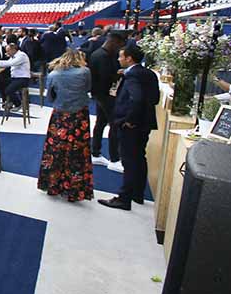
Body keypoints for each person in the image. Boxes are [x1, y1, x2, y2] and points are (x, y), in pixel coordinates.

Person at [99, 45, 160, 211]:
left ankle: (124, 198)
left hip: (132, 125)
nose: (119, 59)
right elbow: (154, 99)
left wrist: (129, 120)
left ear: (129, 58)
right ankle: (137, 194)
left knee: (129, 160)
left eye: (121, 57)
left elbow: (137, 99)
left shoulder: (132, 75)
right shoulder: (148, 73)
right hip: (145, 123)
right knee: (139, 157)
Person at [38, 49, 93, 202]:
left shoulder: (54, 74)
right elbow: (88, 88)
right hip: (79, 115)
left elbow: (50, 97)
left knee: (55, 150)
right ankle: (75, 189)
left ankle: (52, 184)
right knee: (78, 151)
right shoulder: (85, 72)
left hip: (60, 116)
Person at [90, 32, 124, 170]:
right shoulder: (103, 56)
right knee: (113, 126)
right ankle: (114, 159)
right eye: (119, 46)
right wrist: (119, 74)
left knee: (100, 123)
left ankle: (96, 152)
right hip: (105, 95)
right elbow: (106, 77)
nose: (118, 49)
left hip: (99, 94)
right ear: (113, 42)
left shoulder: (97, 53)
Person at [0, 42, 31, 110]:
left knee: (8, 90)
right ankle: (8, 101)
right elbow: (6, 61)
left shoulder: (21, 56)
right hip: (15, 78)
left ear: (13, 50)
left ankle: (18, 104)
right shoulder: (14, 56)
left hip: (23, 78)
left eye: (8, 51)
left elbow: (11, 63)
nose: (7, 53)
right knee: (0, 84)